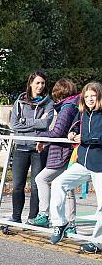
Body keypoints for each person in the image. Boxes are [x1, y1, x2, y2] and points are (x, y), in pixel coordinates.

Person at [49, 82, 102, 254]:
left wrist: (83, 137)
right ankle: (60, 223)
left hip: (100, 165)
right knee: (58, 183)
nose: (89, 99)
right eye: (86, 96)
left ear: (99, 96)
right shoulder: (83, 112)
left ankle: (98, 242)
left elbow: (96, 136)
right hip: (83, 162)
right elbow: (74, 126)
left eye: (93, 95)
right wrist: (72, 133)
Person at [29, 79, 79, 231]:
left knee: (41, 178)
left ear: (58, 93)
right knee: (67, 187)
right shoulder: (74, 105)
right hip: (67, 151)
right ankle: (71, 223)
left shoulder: (67, 108)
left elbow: (58, 131)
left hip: (63, 152)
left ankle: (44, 214)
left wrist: (41, 137)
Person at [9, 71, 54, 226]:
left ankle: (32, 218)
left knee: (36, 185)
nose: (40, 86)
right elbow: (14, 124)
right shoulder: (20, 101)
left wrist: (25, 121)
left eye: (42, 83)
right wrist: (35, 122)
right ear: (31, 84)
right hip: (21, 147)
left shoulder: (48, 103)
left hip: (38, 148)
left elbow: (45, 124)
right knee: (17, 185)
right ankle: (15, 217)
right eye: (37, 83)